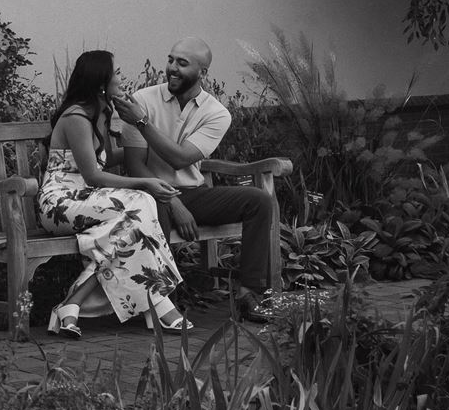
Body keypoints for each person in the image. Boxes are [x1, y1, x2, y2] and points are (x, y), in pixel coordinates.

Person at [112, 36, 277, 320]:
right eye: (171, 59)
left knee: (259, 201)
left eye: (182, 63)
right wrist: (173, 201)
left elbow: (180, 158)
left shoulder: (216, 113)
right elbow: (135, 164)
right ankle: (164, 302)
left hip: (193, 194)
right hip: (149, 192)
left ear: (203, 72)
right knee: (155, 208)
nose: (172, 68)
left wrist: (142, 122)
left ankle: (249, 294)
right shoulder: (143, 100)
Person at [37, 49, 191, 337]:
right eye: (116, 73)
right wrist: (146, 183)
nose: (121, 78)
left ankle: (71, 305)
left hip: (90, 202)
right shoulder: (76, 117)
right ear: (100, 83)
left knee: (127, 229)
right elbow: (93, 175)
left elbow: (105, 160)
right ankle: (159, 302)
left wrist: (145, 139)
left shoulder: (102, 113)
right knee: (143, 201)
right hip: (60, 202)